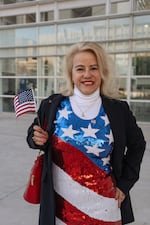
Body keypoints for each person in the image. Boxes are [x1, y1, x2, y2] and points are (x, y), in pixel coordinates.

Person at [27, 42, 146, 225]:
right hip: (60, 209)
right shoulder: (52, 105)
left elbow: (138, 145)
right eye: (80, 68)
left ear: (102, 72)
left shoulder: (118, 109)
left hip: (105, 207)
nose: (87, 74)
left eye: (94, 68)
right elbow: (34, 135)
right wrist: (36, 139)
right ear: (71, 73)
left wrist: (124, 184)